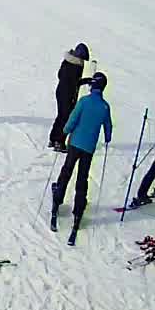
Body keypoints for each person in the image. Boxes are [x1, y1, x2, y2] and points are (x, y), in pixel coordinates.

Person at [53, 72, 113, 237]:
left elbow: (72, 119)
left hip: (75, 143)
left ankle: (57, 200)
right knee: (82, 177)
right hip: (89, 147)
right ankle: (78, 211)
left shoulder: (84, 101)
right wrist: (107, 137)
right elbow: (108, 127)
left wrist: (64, 132)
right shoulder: (105, 106)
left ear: (93, 86)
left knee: (67, 172)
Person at [50, 44, 94, 151]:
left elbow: (63, 77)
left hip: (61, 92)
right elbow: (74, 83)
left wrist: (85, 80)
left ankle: (53, 139)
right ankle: (59, 142)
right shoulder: (75, 66)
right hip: (67, 95)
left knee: (61, 116)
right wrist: (86, 81)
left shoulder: (67, 62)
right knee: (66, 118)